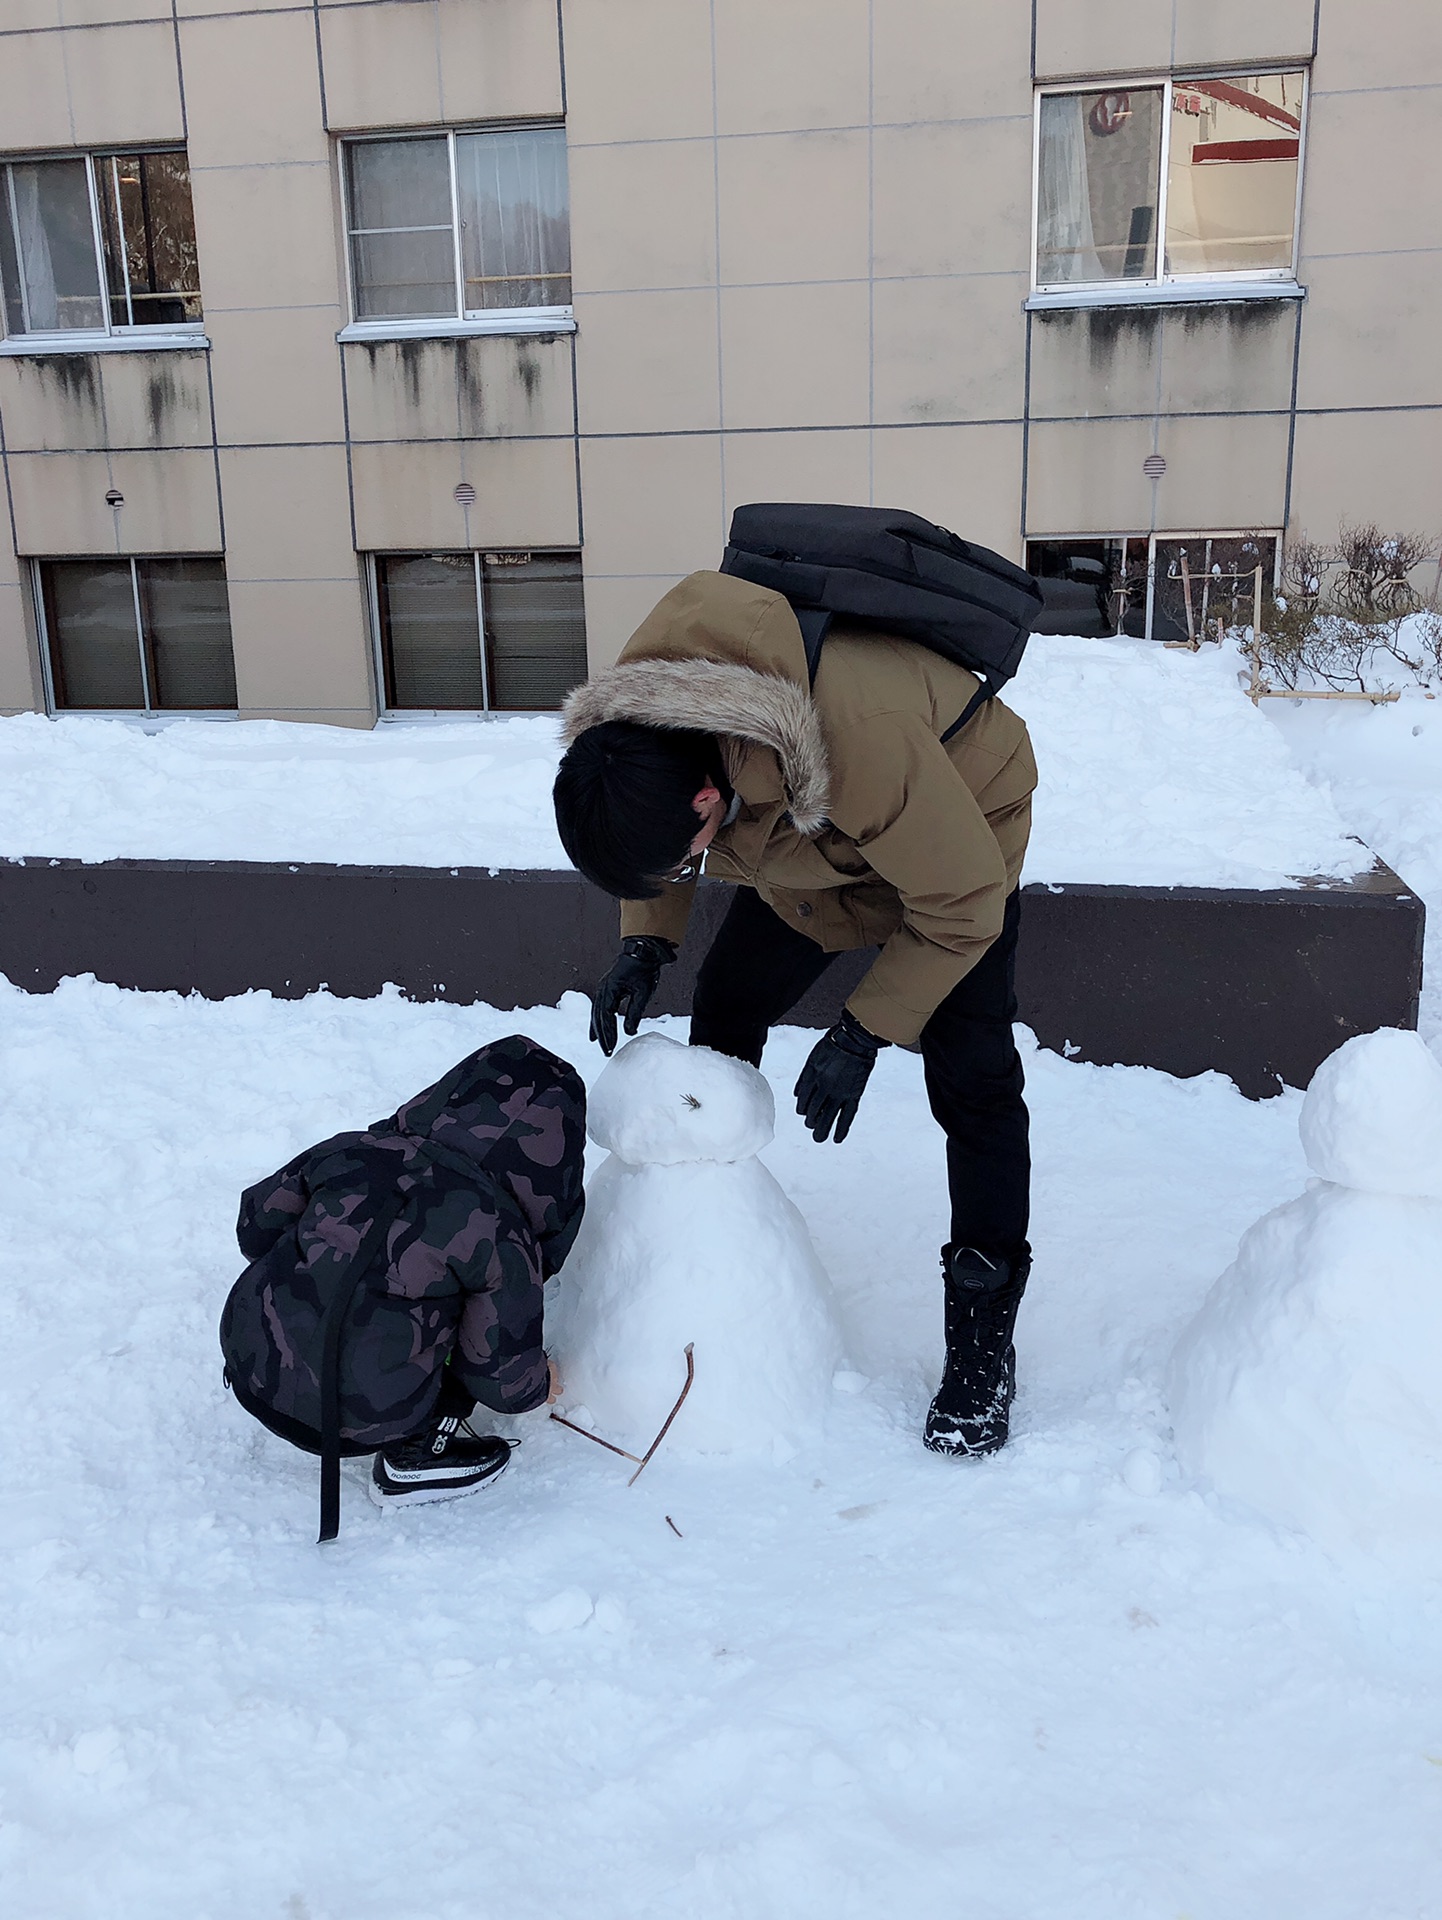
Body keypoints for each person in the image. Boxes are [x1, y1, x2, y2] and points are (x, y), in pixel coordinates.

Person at [552, 569, 1037, 1456]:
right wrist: (646, 941)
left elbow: (962, 899)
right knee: (729, 998)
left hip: (955, 835)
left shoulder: (859, 736)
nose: (678, 881)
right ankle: (711, 1228)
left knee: (972, 1080)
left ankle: (983, 1336)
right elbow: (650, 835)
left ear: (707, 802)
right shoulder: (644, 720)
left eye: (679, 867)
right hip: (810, 838)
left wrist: (864, 1029)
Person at [220, 1035, 586, 1513]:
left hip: (249, 1362)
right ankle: (417, 1458)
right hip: (359, 1421)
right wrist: (538, 1379)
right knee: (470, 1327)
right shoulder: (499, 1232)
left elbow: (254, 1228)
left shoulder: (352, 1151)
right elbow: (502, 1380)